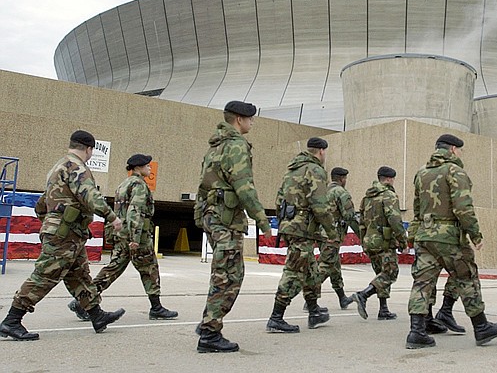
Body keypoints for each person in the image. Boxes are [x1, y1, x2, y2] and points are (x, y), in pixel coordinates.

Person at [0, 130, 126, 341]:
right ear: (89, 149)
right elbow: (90, 196)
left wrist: (50, 222)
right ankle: (12, 320)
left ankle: (96, 315)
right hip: (65, 233)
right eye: (91, 150)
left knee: (80, 276)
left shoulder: (58, 167)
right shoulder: (76, 167)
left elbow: (42, 204)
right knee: (45, 275)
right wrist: (112, 217)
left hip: (68, 232)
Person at [406, 134, 497, 349]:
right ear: (453, 149)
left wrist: (413, 235)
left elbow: (417, 210)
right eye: (460, 150)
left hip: (424, 235)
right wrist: (475, 234)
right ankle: (481, 327)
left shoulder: (421, 173)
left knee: (422, 282)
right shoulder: (455, 171)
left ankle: (416, 332)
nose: (460, 154)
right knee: (466, 277)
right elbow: (463, 208)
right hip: (448, 237)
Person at [194, 101, 272, 353]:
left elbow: (202, 186)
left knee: (224, 273)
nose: (252, 123)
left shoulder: (214, 147)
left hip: (213, 216)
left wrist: (199, 215)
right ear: (239, 119)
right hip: (226, 220)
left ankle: (208, 321)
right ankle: (209, 333)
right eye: (250, 118)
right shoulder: (236, 145)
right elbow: (244, 186)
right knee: (229, 276)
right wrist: (261, 218)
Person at [68, 154, 177, 322]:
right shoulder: (139, 185)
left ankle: (82, 301)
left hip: (121, 236)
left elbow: (119, 213)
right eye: (147, 166)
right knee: (150, 270)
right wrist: (135, 237)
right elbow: (135, 212)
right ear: (138, 168)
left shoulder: (122, 185)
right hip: (136, 238)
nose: (150, 168)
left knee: (112, 270)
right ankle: (156, 308)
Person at [266, 137, 336, 333]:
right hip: (302, 229)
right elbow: (320, 205)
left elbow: (279, 200)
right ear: (321, 151)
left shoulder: (292, 170)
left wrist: (285, 224)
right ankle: (276, 317)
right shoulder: (315, 170)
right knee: (294, 272)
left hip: (291, 226)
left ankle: (314, 311)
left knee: (311, 271)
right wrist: (331, 231)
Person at [352, 166, 407, 321]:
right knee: (390, 273)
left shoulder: (367, 197)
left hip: (370, 241)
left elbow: (361, 222)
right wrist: (403, 242)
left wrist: (364, 241)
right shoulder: (389, 196)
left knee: (381, 274)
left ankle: (383, 309)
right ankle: (363, 295)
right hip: (385, 241)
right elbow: (395, 220)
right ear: (389, 179)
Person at [313, 167, 357, 310]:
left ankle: (342, 297)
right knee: (325, 267)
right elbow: (350, 216)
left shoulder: (323, 191)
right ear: (342, 179)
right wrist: (362, 236)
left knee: (334, 267)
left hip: (320, 234)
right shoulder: (340, 192)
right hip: (332, 236)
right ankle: (311, 299)